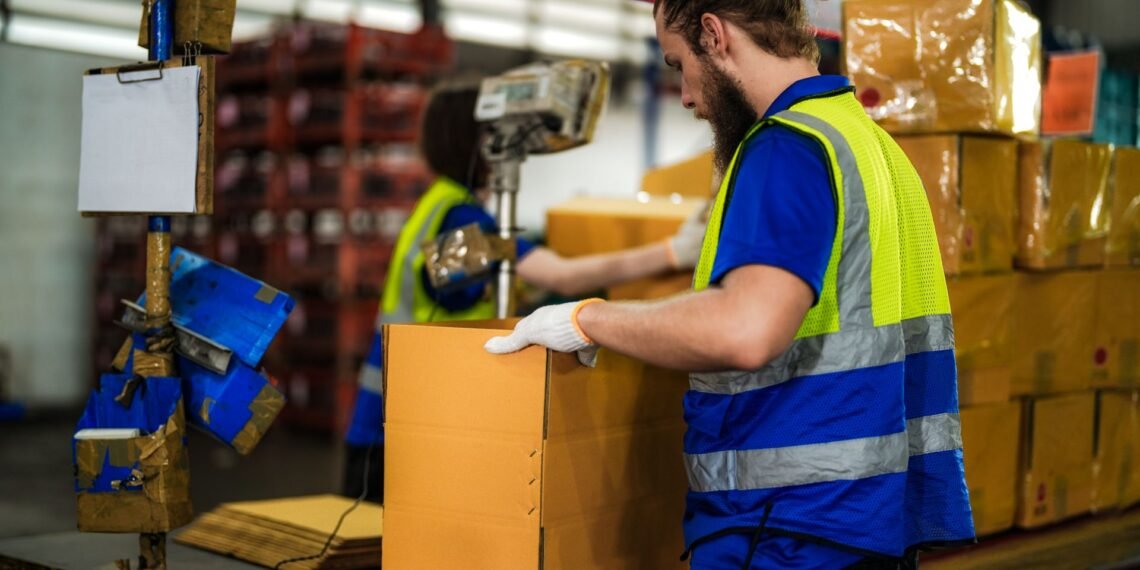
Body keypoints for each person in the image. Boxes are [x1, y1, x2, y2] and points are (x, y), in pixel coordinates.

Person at [485, 1, 976, 568]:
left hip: (786, 526)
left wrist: (586, 319)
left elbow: (746, 330)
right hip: (866, 521)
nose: (688, 97)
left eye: (678, 65)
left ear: (714, 35)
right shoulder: (869, 143)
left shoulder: (787, 146)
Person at [342, 80, 709, 501]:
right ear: (479, 140)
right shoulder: (463, 218)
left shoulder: (440, 204)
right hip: (399, 432)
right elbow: (562, 276)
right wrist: (672, 251)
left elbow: (460, 288)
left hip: (402, 417)